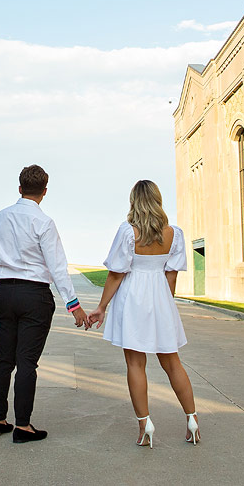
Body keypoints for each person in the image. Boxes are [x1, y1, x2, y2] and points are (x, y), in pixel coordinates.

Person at [86, 180, 200, 448]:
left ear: (134, 202)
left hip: (132, 299)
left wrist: (101, 307)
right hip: (160, 297)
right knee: (173, 363)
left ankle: (145, 424)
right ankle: (192, 420)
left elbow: (116, 273)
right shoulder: (174, 234)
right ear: (158, 200)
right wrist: (163, 305)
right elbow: (171, 277)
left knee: (136, 364)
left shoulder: (128, 232)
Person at [0, 164, 90, 443]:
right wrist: (74, 305)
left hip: (6, 291)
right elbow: (58, 267)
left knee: (3, 358)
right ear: (44, 192)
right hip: (35, 295)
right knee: (27, 362)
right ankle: (23, 426)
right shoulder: (44, 223)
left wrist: (1, 291)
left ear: (19, 188)